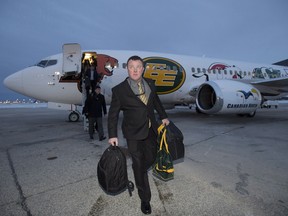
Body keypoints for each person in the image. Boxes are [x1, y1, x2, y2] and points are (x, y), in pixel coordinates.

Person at [108, 55, 169, 214]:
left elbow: (156, 102)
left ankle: (140, 169)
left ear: (143, 69)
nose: (135, 70)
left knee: (151, 157)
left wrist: (163, 116)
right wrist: (112, 135)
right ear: (127, 69)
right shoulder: (119, 90)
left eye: (138, 67)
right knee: (139, 164)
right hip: (133, 133)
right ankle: (145, 199)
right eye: (131, 67)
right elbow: (113, 114)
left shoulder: (150, 83)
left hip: (151, 130)